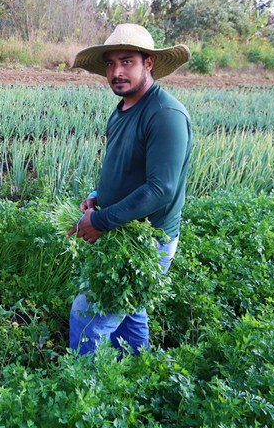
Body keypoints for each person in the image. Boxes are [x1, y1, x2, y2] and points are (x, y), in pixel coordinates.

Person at [66, 23, 193, 355]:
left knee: (87, 315)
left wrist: (100, 220)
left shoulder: (165, 115)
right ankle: (137, 369)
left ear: (148, 63)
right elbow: (122, 163)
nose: (116, 72)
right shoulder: (123, 107)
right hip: (124, 228)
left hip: (148, 240)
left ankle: (83, 383)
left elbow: (161, 189)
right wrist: (97, 196)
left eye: (126, 62)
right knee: (130, 311)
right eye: (110, 64)